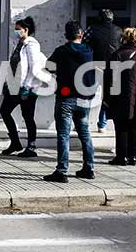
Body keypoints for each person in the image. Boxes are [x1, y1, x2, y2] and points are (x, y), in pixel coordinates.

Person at [44, 21, 96, 183]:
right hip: (84, 98)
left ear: (66, 35)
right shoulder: (89, 51)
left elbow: (48, 66)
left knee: (63, 135)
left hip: (66, 98)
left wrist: (61, 69)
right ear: (81, 35)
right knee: (85, 134)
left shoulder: (61, 51)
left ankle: (62, 170)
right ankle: (89, 168)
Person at [106, 28, 136, 166]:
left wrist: (108, 98)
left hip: (120, 96)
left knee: (121, 126)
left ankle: (121, 157)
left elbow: (109, 78)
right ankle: (133, 156)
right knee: (134, 126)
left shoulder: (118, 55)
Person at [0, 17, 42, 158]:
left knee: (28, 116)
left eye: (18, 29)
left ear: (26, 30)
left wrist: (27, 86)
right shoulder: (18, 43)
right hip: (14, 85)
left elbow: (33, 68)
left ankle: (31, 147)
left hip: (26, 87)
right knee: (4, 111)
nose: (16, 31)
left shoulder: (31, 45)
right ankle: (15, 142)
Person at [83, 9, 122, 132]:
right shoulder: (119, 31)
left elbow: (84, 44)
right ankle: (102, 124)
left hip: (95, 66)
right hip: (112, 68)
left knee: (88, 95)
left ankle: (84, 122)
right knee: (108, 97)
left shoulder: (92, 29)